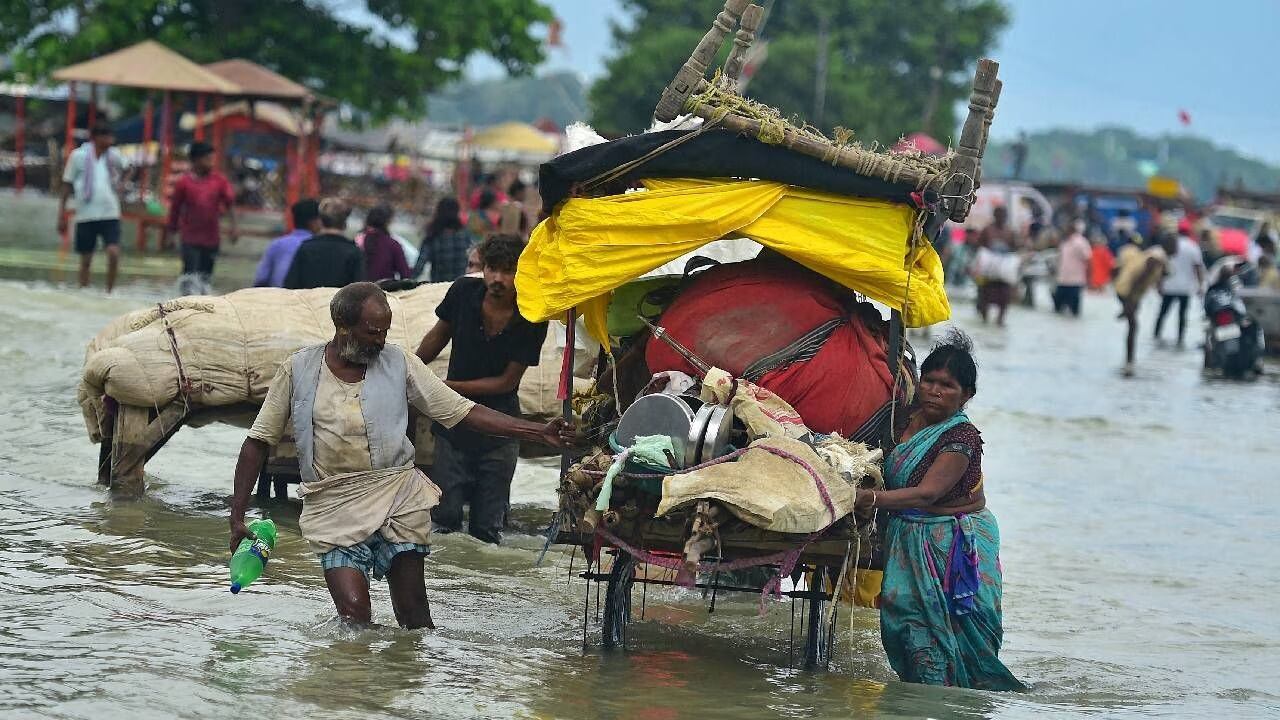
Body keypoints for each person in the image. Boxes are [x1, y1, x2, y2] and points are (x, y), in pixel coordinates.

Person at [230, 282, 573, 628]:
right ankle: (347, 681)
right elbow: (258, 441)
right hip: (332, 503)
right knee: (353, 616)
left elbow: (460, 410)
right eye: (372, 332)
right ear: (342, 326)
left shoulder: (400, 363)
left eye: (385, 331)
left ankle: (407, 678)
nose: (380, 340)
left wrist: (537, 431)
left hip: (398, 498)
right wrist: (237, 516)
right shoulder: (298, 369)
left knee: (414, 618)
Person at [853, 330, 1024, 691]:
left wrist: (865, 499)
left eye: (947, 385)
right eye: (928, 381)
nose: (934, 390)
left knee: (960, 630)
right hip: (907, 536)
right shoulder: (900, 418)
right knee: (905, 619)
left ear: (967, 395)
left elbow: (927, 494)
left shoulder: (961, 438)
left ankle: (956, 702)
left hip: (951, 543)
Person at [416, 235, 549, 544]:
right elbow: (438, 337)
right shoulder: (463, 292)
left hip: (499, 434)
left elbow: (507, 382)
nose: (498, 279)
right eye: (492, 268)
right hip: (453, 428)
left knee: (487, 530)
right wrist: (410, 369)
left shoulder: (531, 315)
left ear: (522, 273)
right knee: (444, 521)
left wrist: (446, 387)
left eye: (508, 270)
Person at [59, 124, 125, 292]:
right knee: (86, 259)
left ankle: (109, 291)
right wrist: (61, 214)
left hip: (110, 212)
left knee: (113, 252)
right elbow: (67, 184)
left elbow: (128, 167)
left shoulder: (114, 156)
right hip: (85, 214)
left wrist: (121, 184)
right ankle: (84, 291)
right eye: (106, 137)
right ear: (96, 138)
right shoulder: (78, 156)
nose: (110, 141)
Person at [165, 142, 238, 291]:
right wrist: (171, 234)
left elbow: (230, 204)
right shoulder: (184, 183)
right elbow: (175, 209)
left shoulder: (219, 181)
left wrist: (234, 227)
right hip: (189, 238)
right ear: (196, 160)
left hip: (211, 238)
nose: (211, 163)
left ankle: (203, 306)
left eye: (212, 159)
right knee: (190, 276)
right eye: (208, 159)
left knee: (206, 278)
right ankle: (186, 307)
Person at [1114, 234, 1172, 376]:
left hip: (1129, 291)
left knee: (1132, 324)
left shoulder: (1159, 257)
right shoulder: (1155, 258)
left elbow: (1163, 273)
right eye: (1175, 244)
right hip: (1128, 292)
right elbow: (1140, 278)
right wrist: (1130, 302)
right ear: (1168, 246)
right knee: (1133, 326)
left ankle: (1129, 361)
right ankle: (1129, 362)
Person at [284, 198, 364, 289]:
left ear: (321, 221)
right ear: (345, 223)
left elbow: (290, 285)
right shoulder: (354, 252)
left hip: (309, 302)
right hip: (339, 302)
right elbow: (359, 291)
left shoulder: (305, 248)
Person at [1153, 221, 1205, 348]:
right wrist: (1200, 285)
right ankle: (1180, 339)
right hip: (1185, 288)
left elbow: (1161, 267)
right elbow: (1198, 268)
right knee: (1182, 315)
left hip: (1169, 286)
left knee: (1162, 313)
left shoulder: (1169, 245)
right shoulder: (1193, 247)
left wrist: (1158, 284)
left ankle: (1155, 335)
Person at [255, 199, 321, 287]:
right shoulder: (319, 246)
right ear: (313, 222)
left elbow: (261, 279)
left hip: (278, 296)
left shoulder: (277, 244)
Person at [971, 206, 1019, 326]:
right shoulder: (987, 229)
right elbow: (979, 246)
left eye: (1004, 215)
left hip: (1003, 271)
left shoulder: (1010, 232)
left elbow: (1015, 248)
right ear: (995, 216)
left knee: (1004, 297)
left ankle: (1000, 321)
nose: (1002, 218)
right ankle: (984, 320)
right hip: (988, 271)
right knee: (984, 295)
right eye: (999, 215)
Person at [414, 197, 474, 282]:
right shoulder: (465, 235)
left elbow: (420, 266)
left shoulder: (433, 236)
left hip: (440, 288)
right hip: (461, 286)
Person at [358, 204, 412, 282]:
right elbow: (405, 275)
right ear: (388, 222)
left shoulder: (357, 240)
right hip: (384, 290)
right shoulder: (393, 244)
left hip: (358, 290)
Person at [1052, 220, 1092, 316]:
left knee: (1074, 311)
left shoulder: (1080, 242)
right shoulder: (1064, 242)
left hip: (1075, 281)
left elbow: (1088, 259)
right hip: (1062, 279)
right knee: (1057, 307)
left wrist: (1089, 277)